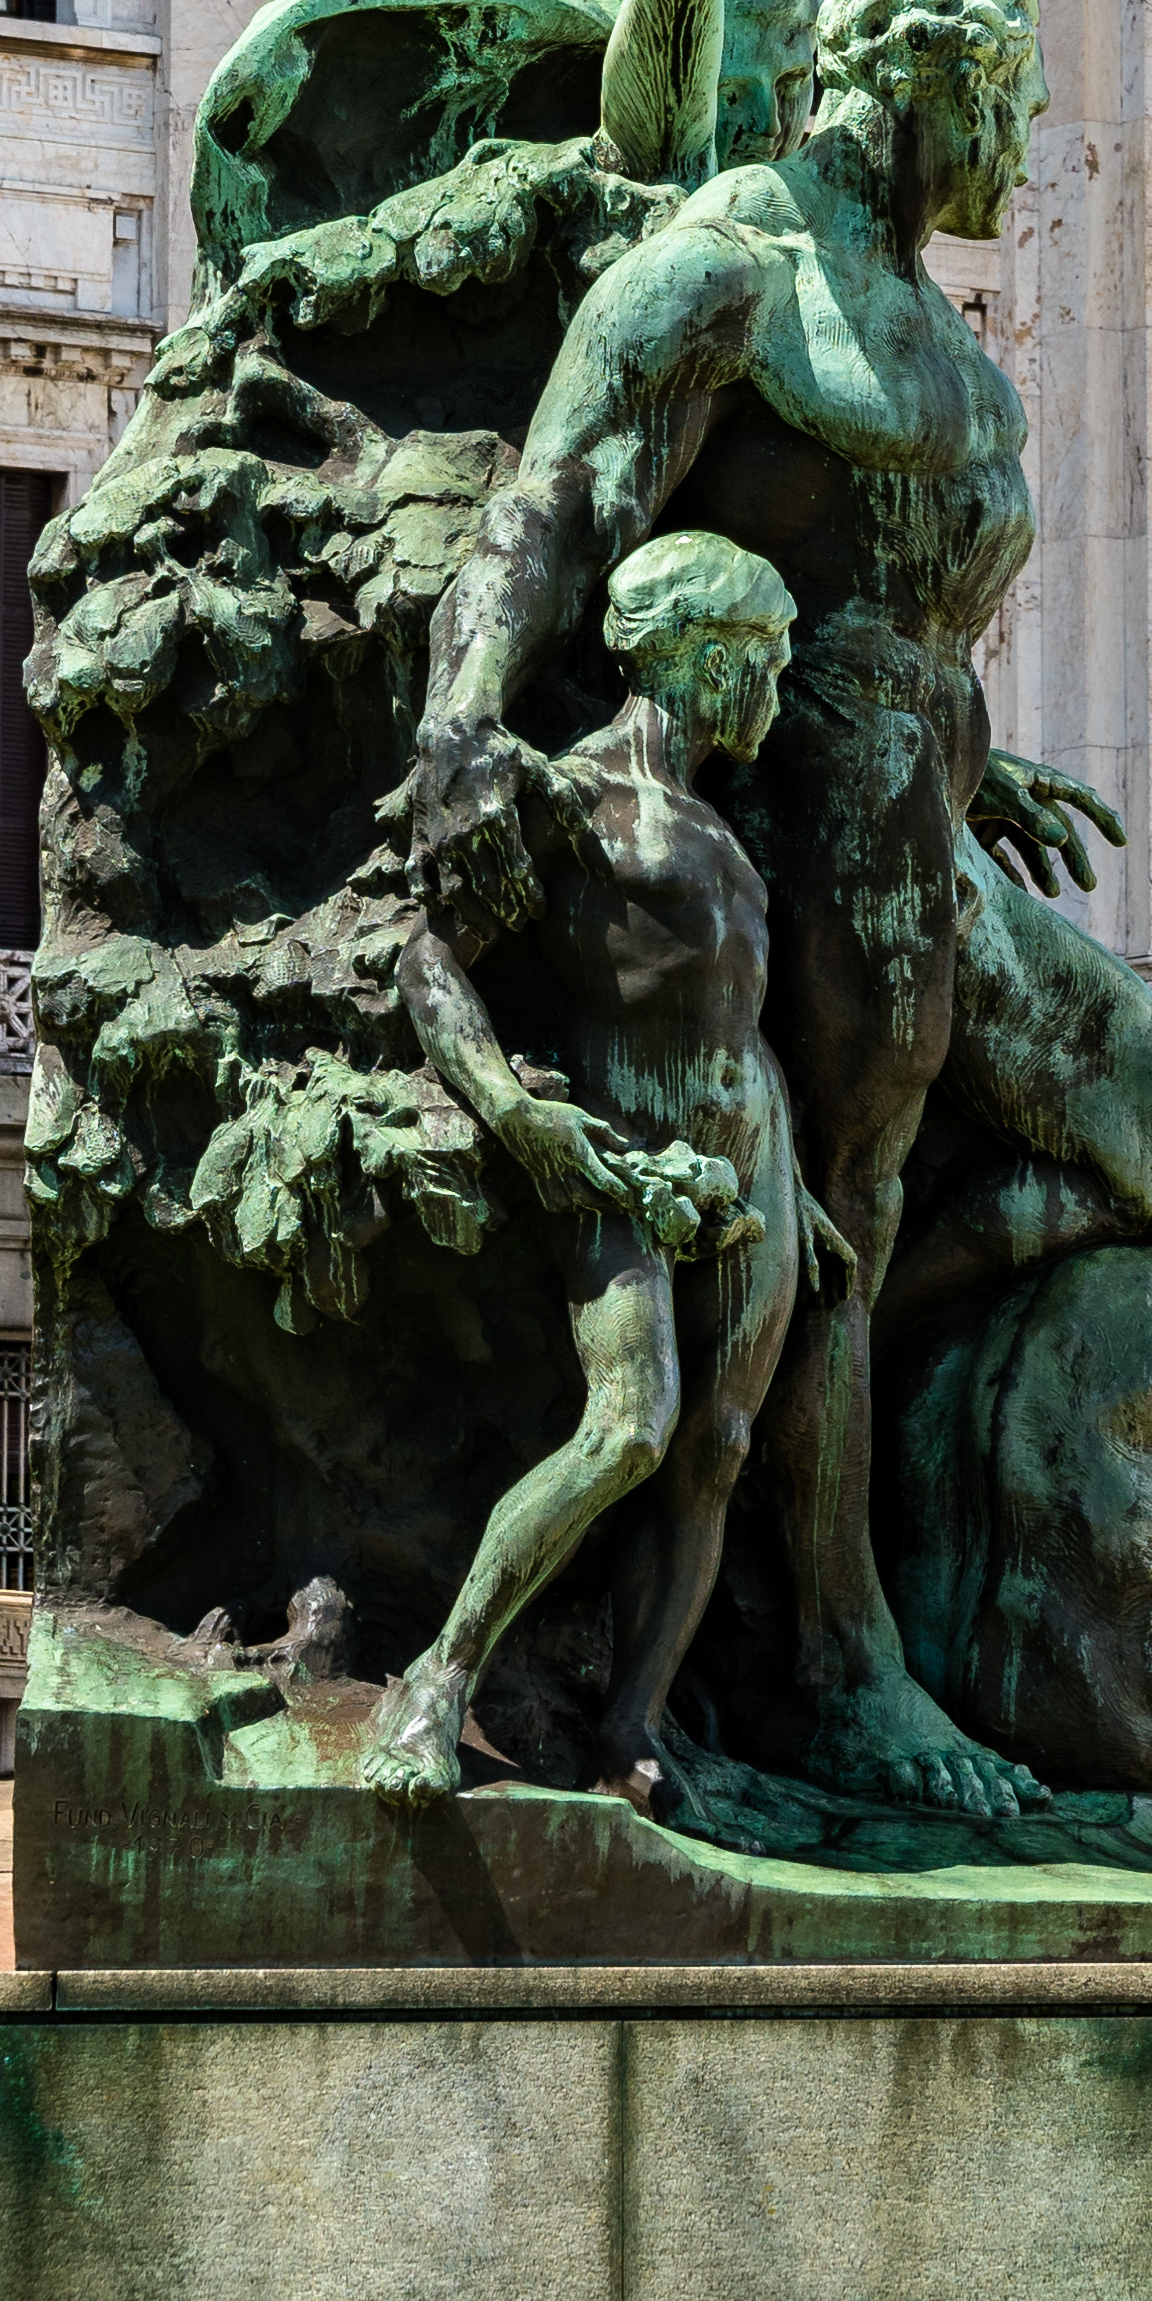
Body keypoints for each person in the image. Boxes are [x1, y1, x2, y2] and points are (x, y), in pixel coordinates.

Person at [407, 0, 1152, 1829]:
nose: (1022, 147)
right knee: (837, 1225)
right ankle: (846, 1660)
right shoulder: (726, 262)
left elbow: (915, 580)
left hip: (925, 812)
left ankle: (894, 1389)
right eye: (1006, 105)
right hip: (801, 825)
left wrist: (981, 750)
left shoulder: (927, 321)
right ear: (919, 85)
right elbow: (554, 507)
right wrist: (456, 726)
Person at [365, 530, 811, 1804]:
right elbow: (430, 961)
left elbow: (739, 1028)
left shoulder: (721, 823)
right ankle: (436, 1678)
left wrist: (802, 1190)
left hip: (755, 1168)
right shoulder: (573, 801)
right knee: (628, 1430)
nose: (772, 691)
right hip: (621, 1152)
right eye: (757, 662)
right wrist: (515, 1112)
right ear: (692, 656)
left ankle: (636, 1723)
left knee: (718, 1446)